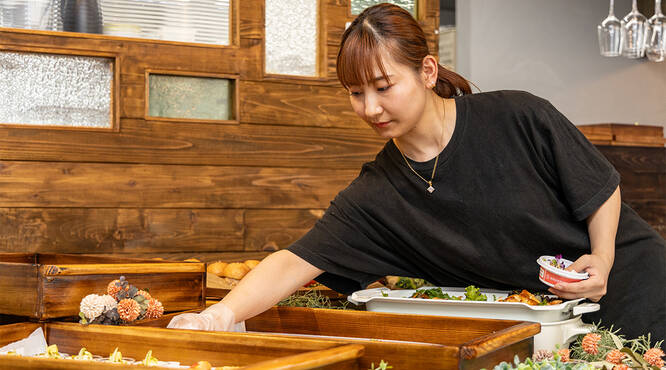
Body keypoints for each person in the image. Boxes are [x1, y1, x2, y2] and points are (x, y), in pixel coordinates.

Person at [168, 3, 665, 341]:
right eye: (355, 93)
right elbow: (296, 260)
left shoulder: (518, 116)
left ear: (427, 72)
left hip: (637, 290)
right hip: (554, 330)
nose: (370, 107)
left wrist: (601, 257)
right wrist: (216, 316)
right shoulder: (378, 192)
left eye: (383, 86)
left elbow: (600, 189)